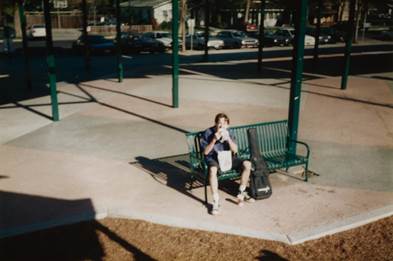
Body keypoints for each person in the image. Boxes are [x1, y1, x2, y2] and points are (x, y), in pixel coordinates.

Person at [200, 113, 254, 215]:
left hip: (227, 158)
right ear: (215, 124)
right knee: (212, 170)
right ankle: (215, 201)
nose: (221, 126)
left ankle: (241, 193)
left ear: (227, 125)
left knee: (247, 164)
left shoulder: (229, 132)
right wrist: (214, 140)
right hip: (214, 158)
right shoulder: (208, 133)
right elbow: (206, 152)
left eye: (224, 123)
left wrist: (228, 138)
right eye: (219, 123)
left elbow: (235, 150)